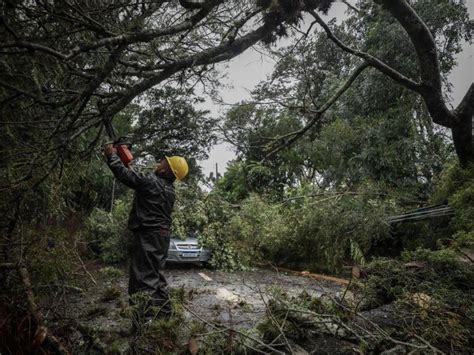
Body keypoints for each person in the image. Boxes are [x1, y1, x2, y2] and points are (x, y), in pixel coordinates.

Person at [103, 143, 189, 319]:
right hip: (162, 237)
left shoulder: (152, 182)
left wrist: (112, 155)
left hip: (148, 236)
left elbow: (126, 176)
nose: (159, 162)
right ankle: (165, 319)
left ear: (167, 171)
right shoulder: (169, 190)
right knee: (157, 278)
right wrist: (124, 158)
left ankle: (143, 325)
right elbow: (137, 178)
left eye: (163, 163)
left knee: (141, 282)